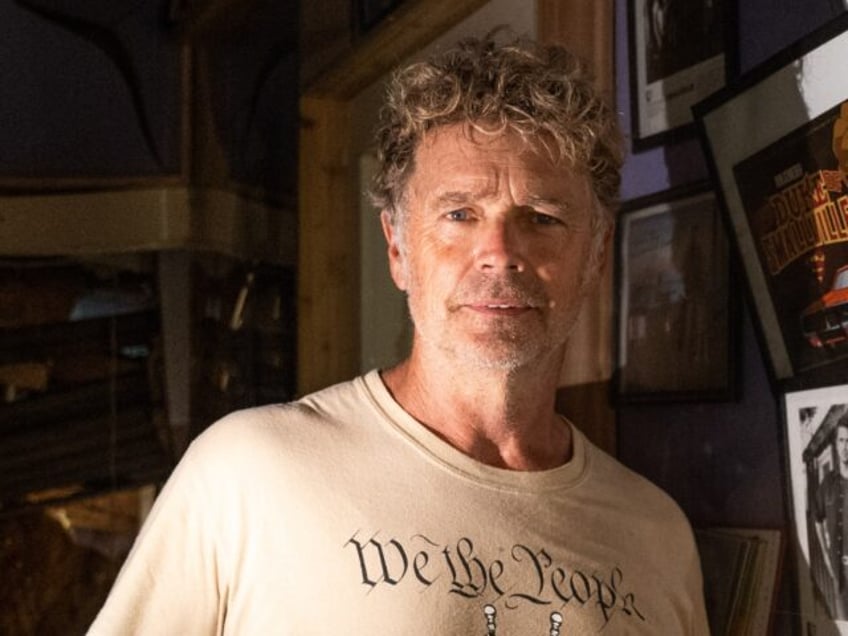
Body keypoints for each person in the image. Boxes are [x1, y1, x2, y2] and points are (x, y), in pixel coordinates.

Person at [88, 33, 708, 635]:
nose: (498, 253)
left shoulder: (656, 535)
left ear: (596, 255)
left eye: (542, 218)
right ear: (397, 248)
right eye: (459, 214)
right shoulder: (247, 475)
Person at [814, 415, 848, 620]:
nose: (846, 447)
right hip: (838, 577)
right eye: (842, 440)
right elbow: (817, 518)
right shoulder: (827, 483)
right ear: (836, 444)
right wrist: (827, 557)